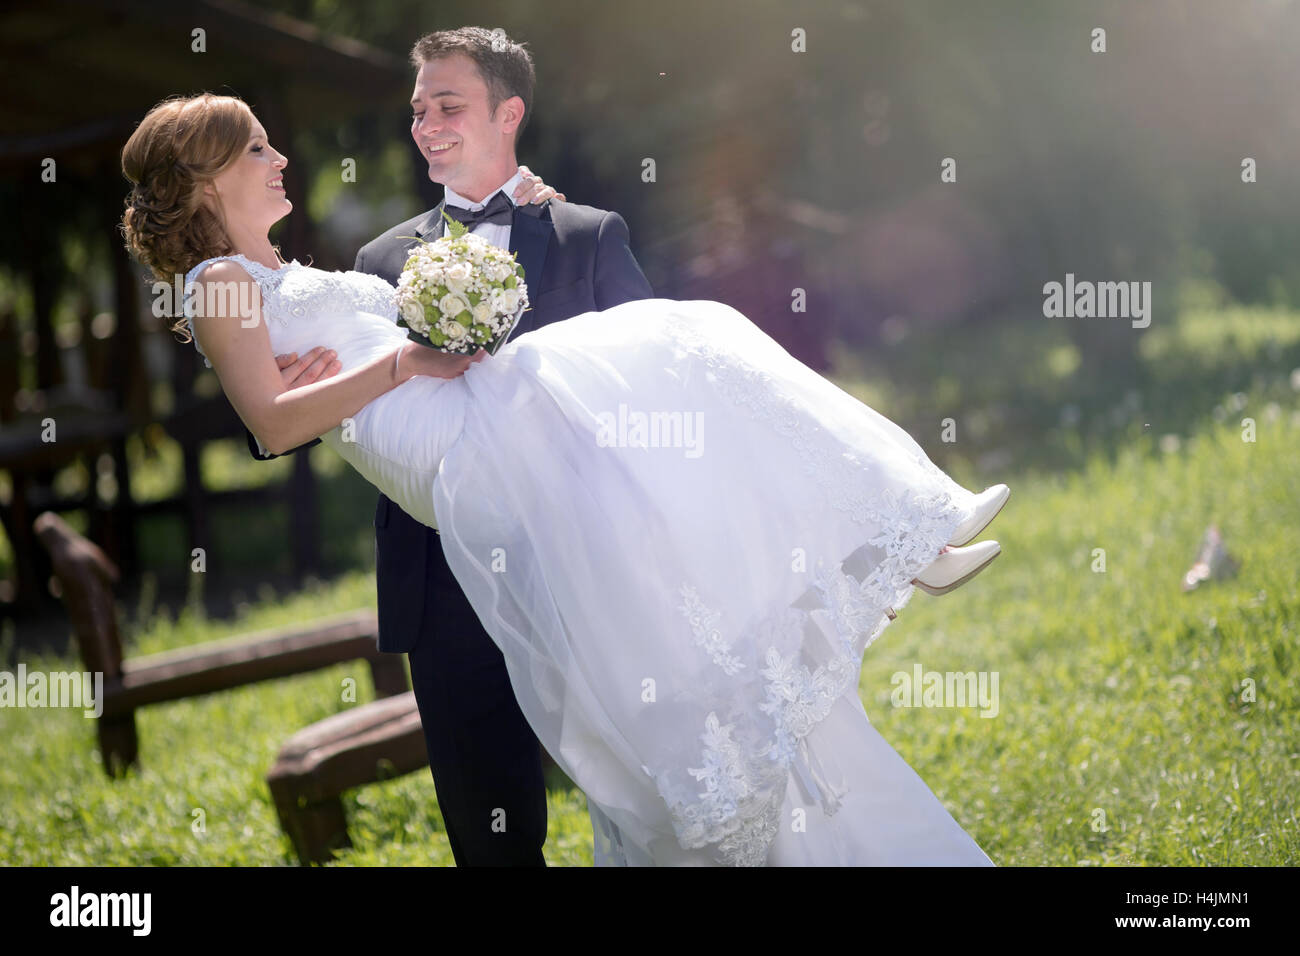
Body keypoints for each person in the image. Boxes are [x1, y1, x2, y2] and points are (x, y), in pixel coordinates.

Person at [121, 85, 1009, 866]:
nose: (281, 159)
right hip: (458, 452)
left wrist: (422, 341)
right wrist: (401, 364)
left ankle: (891, 536)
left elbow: (345, 373)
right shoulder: (218, 281)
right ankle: (888, 540)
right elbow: (272, 425)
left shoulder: (278, 271)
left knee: (684, 389)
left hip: (469, 409)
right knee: (681, 343)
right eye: (258, 149)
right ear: (207, 178)